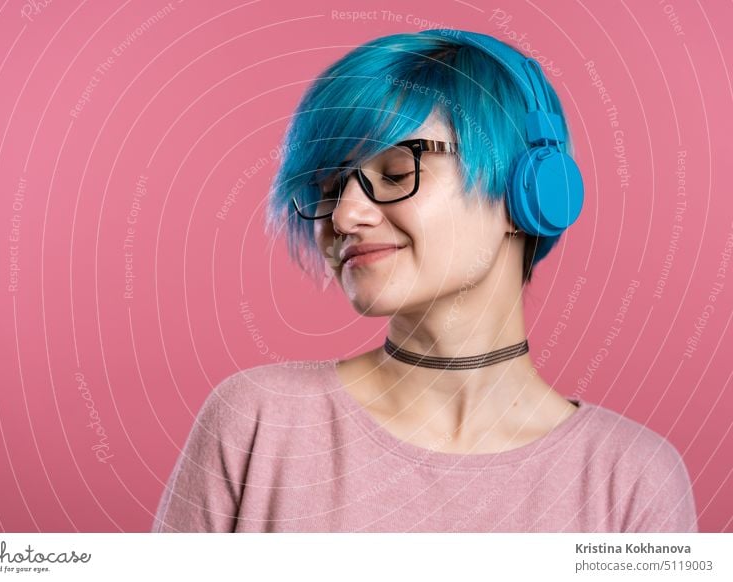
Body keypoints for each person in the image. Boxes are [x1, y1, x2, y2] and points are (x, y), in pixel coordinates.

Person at [152, 29, 698, 532]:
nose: (343, 218)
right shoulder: (258, 422)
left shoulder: (630, 482)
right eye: (328, 188)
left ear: (527, 192)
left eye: (394, 172)